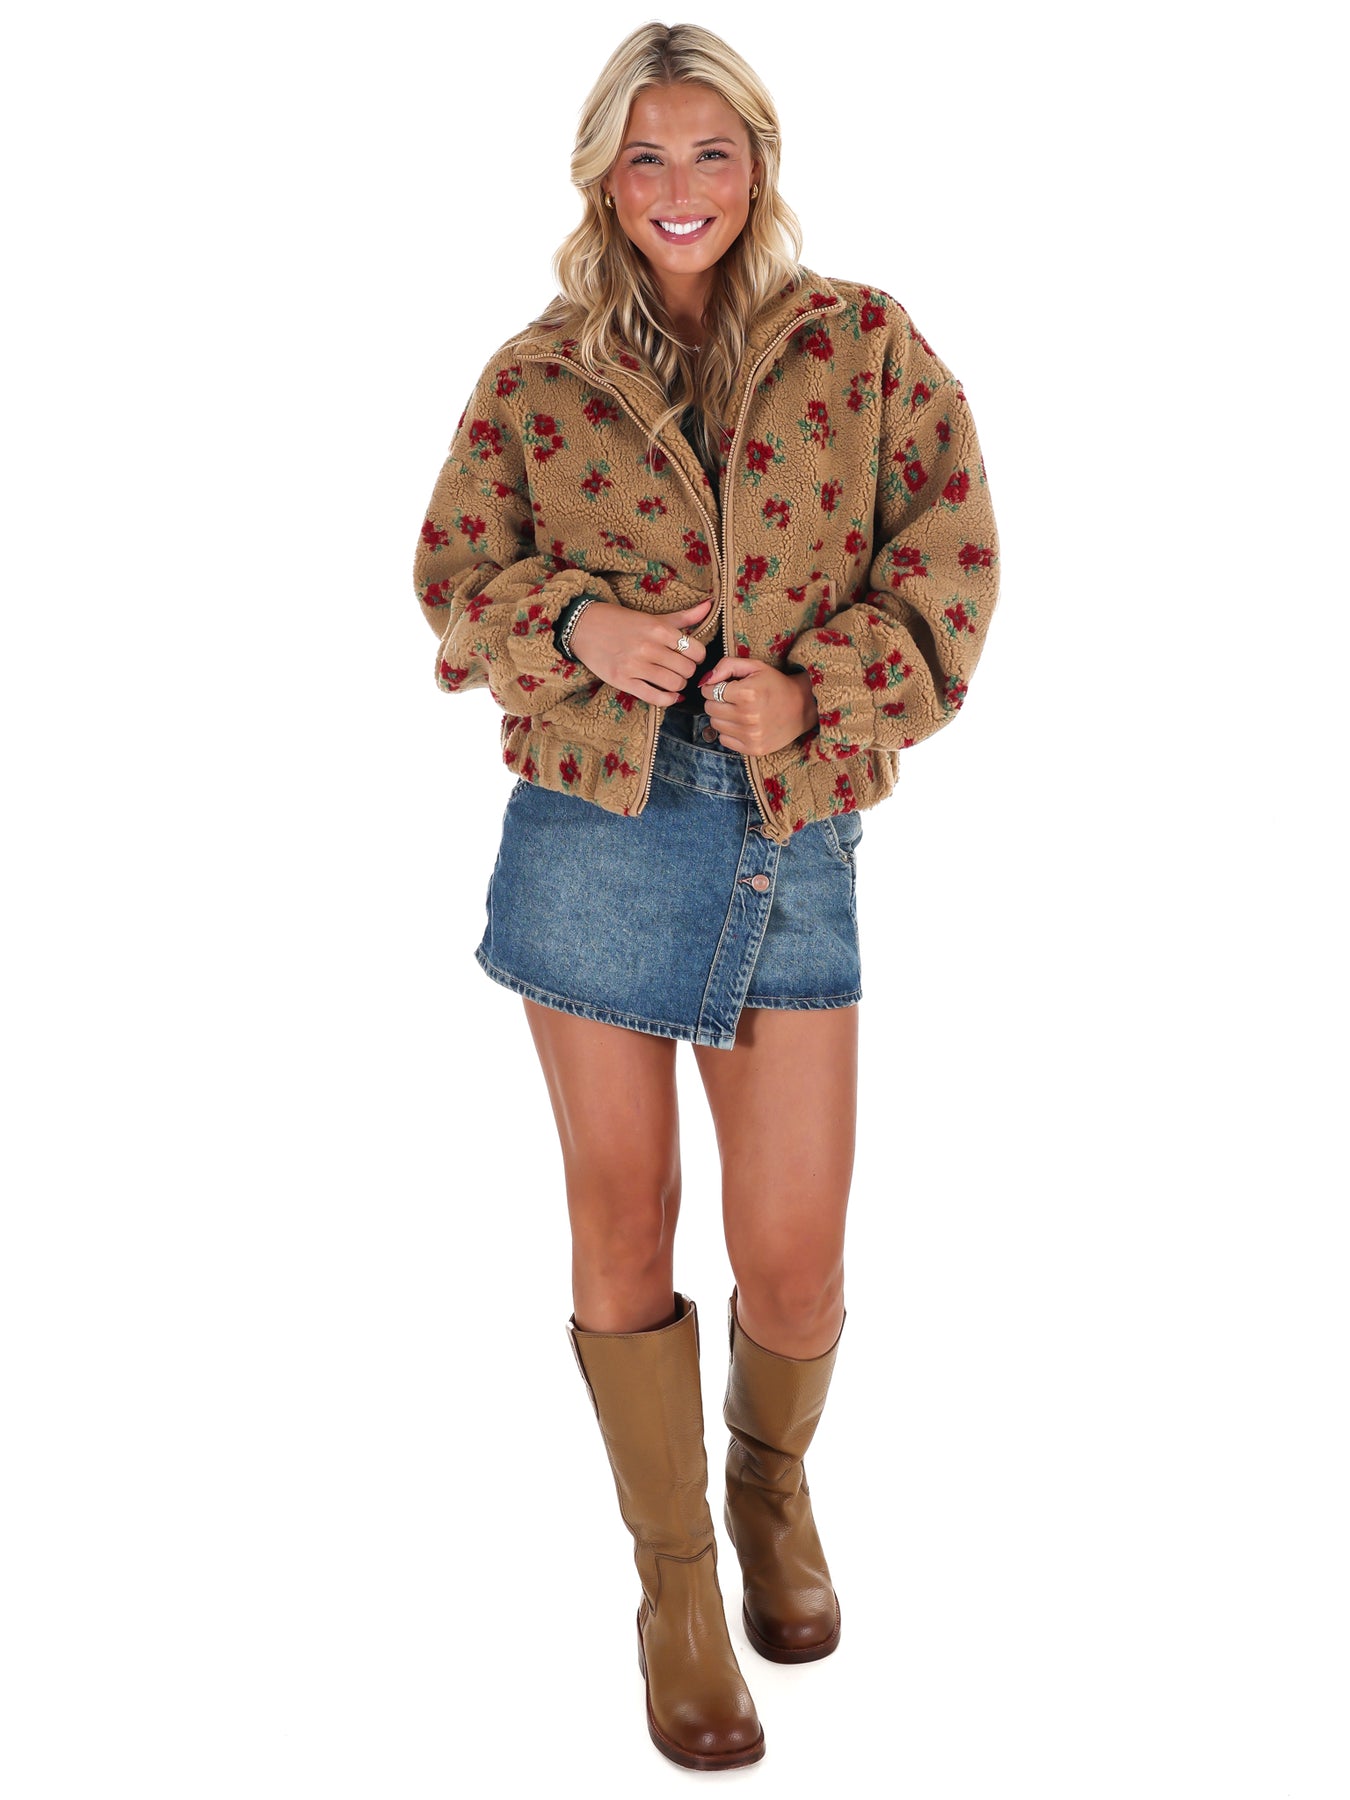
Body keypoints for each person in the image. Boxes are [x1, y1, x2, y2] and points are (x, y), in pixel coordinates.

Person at [413, 21, 1000, 1772]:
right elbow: (453, 578)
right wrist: (578, 629)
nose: (679, 189)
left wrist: (820, 693)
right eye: (646, 158)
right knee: (622, 1221)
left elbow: (953, 561)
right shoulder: (536, 377)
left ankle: (766, 1484)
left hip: (782, 820)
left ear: (758, 167)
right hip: (591, 816)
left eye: (711, 154)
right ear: (604, 177)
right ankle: (672, 1585)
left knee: (794, 1264)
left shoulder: (862, 344)